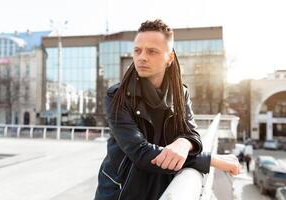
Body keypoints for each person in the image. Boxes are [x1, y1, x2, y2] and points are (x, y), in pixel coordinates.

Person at [94, 19, 240, 200]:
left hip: (162, 190)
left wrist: (184, 143)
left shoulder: (181, 93)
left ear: (169, 58)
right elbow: (141, 153)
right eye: (137, 50)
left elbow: (193, 135)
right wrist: (210, 160)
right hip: (121, 193)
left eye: (152, 51)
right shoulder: (117, 95)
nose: (142, 57)